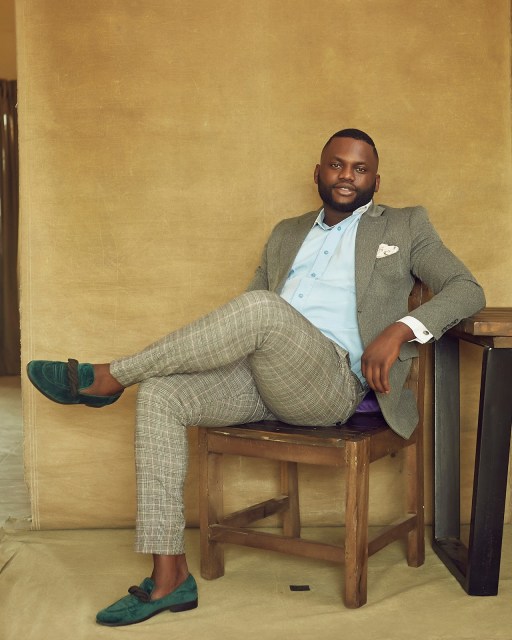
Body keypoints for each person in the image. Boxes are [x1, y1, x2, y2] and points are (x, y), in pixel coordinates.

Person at [27, 128, 485, 626]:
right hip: (264, 378)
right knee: (161, 394)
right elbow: (241, 325)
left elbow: (467, 289)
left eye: (360, 169)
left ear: (376, 180)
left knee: (262, 308)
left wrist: (400, 330)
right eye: (336, 165)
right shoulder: (287, 232)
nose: (346, 176)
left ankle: (111, 376)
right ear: (318, 172)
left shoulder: (405, 224)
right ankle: (169, 576)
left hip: (334, 386)